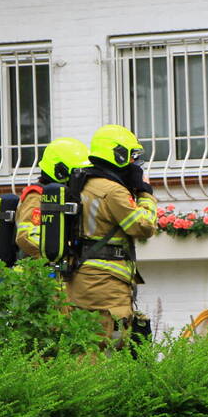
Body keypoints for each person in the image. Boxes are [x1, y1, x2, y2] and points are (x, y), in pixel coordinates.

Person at [67, 124, 158, 345]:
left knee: (86, 345)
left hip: (83, 278)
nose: (135, 164)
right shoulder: (112, 190)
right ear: (117, 154)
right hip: (105, 284)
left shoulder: (84, 183)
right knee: (108, 346)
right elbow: (144, 226)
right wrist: (145, 194)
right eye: (131, 156)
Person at [14, 137, 91, 259]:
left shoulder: (65, 196)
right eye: (76, 174)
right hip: (39, 273)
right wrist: (60, 254)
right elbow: (27, 237)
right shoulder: (36, 196)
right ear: (60, 171)